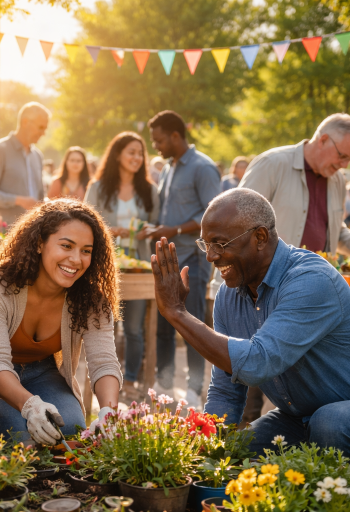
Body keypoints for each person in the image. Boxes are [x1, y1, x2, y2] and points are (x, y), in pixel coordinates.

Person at [150, 188, 350, 467]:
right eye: (205, 244)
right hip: (302, 419)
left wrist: (177, 313)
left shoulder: (310, 280)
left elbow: (259, 362)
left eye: (220, 244)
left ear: (259, 237)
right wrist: (201, 449)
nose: (210, 256)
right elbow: (226, 390)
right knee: (233, 454)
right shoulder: (228, 296)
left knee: (330, 424)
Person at [0, 200, 121, 444]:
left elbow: (104, 362)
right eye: (66, 246)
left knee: (71, 429)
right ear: (39, 243)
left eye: (86, 250)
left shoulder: (90, 300)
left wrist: (109, 412)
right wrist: (30, 406)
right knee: (20, 434)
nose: (75, 259)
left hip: (41, 372)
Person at [143, 110, 221, 407]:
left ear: (176, 135)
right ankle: (164, 384)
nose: (156, 147)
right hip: (166, 260)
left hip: (193, 260)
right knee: (165, 320)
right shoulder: (170, 168)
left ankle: (193, 389)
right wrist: (158, 229)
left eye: (159, 140)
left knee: (193, 322)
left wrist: (173, 228)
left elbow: (211, 214)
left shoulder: (203, 168)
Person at [239, 114, 350, 256]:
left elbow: (334, 231)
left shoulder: (338, 179)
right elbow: (237, 224)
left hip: (317, 277)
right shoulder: (271, 164)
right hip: (270, 278)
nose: (344, 165)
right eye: (342, 156)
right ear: (323, 140)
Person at [84, 132, 160, 403]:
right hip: (106, 265)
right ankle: (106, 382)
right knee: (107, 325)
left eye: (140, 153)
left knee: (134, 329)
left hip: (139, 267)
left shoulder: (150, 190)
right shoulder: (98, 186)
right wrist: (106, 230)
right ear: (117, 154)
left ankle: (130, 380)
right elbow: (87, 222)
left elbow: (155, 223)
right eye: (131, 152)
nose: (136, 158)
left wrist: (146, 231)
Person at [0, 102, 49, 242]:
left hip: (32, 235)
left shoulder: (38, 156)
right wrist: (18, 200)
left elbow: (40, 196)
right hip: (2, 236)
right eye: (41, 127)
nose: (43, 133)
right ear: (25, 122)